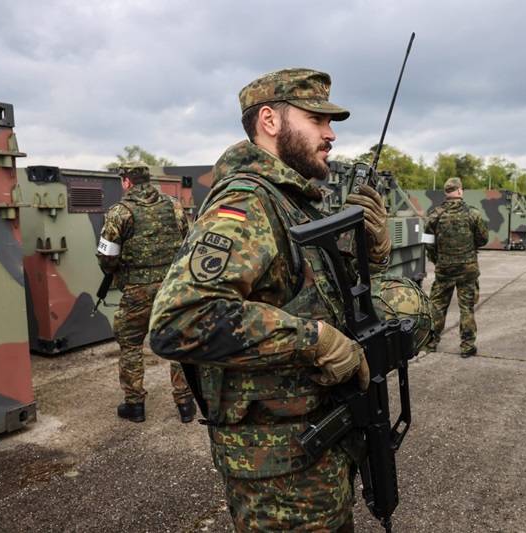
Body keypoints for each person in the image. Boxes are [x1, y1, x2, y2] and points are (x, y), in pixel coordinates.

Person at [147, 68, 430, 531]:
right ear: (269, 121)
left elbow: (309, 292)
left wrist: (371, 254)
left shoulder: (292, 199)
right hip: (278, 475)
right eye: (317, 119)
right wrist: (313, 340)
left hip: (309, 452)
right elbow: (180, 319)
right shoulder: (246, 204)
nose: (330, 133)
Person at [96, 162, 196, 424]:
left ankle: (135, 406)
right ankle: (186, 403)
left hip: (137, 291)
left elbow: (106, 257)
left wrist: (119, 271)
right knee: (177, 343)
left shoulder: (119, 212)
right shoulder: (173, 205)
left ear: (126, 181)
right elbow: (187, 243)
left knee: (130, 346)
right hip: (170, 289)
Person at [422, 177, 488, 357]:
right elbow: (483, 239)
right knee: (467, 308)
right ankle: (467, 347)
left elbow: (427, 242)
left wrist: (437, 260)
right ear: (459, 191)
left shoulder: (435, 214)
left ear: (446, 193)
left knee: (437, 306)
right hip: (467, 269)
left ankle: (431, 343)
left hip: (444, 270)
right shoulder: (472, 213)